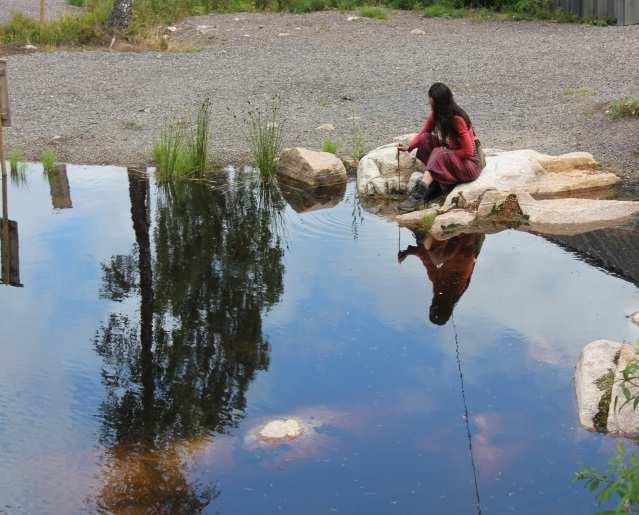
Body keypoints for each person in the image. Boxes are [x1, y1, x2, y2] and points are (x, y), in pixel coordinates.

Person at [397, 83, 483, 213]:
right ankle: (437, 181)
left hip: (470, 165)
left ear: (439, 103)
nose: (429, 103)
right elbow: (423, 133)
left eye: (431, 101)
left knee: (439, 152)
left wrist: (446, 153)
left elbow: (468, 151)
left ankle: (418, 194)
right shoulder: (437, 115)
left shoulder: (457, 119)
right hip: (456, 160)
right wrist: (409, 147)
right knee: (426, 139)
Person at [398, 233, 484, 325]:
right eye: (434, 307)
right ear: (441, 307)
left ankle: (423, 235)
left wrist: (409, 252)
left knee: (429, 249)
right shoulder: (458, 286)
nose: (432, 303)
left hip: (455, 242)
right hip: (466, 241)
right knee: (436, 256)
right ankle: (424, 235)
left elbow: (428, 262)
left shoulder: (438, 285)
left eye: (431, 307)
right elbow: (465, 256)